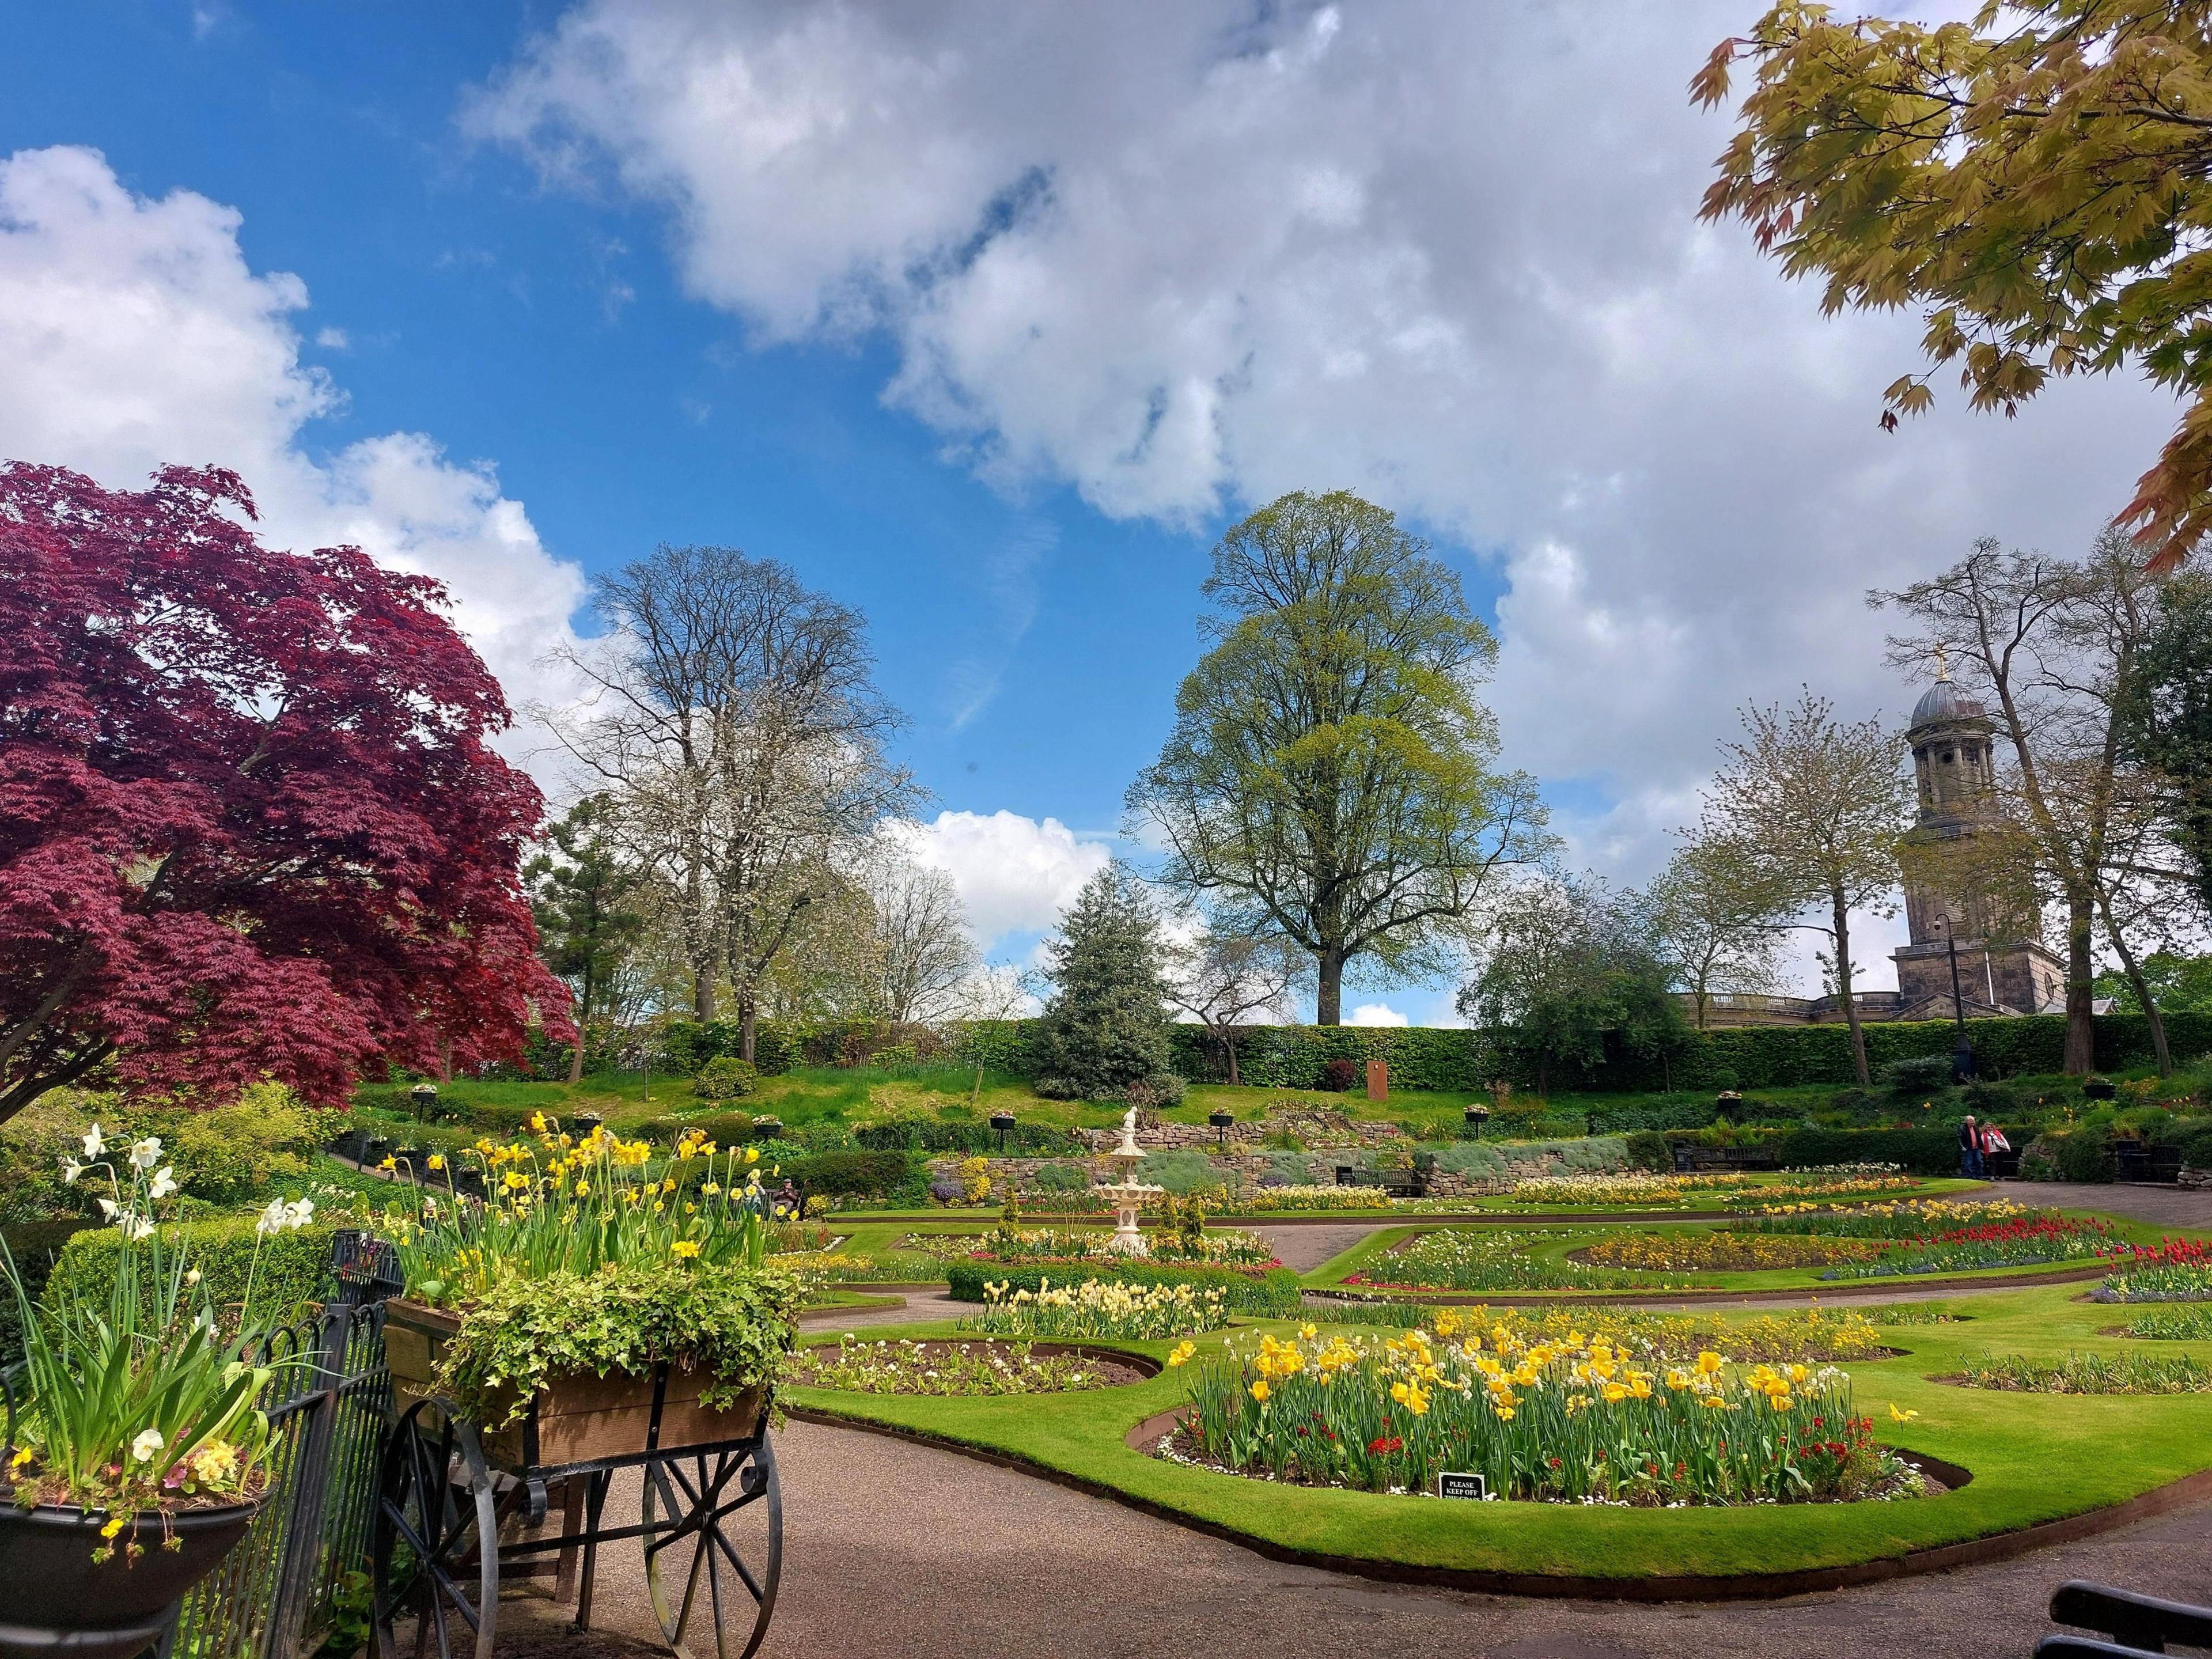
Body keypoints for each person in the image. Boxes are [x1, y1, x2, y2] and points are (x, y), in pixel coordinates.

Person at [1959, 1114, 1983, 1179]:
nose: (1974, 1122)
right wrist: (1962, 1146)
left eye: (1974, 1121)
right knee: (1968, 1163)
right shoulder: (1963, 1128)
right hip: (1968, 1148)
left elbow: (1979, 1137)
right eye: (1972, 1121)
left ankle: (1979, 1176)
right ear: (1967, 1121)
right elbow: (1959, 1138)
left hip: (1977, 1148)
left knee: (1979, 1162)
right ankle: (1969, 1176)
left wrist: (1981, 1147)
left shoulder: (1976, 1128)